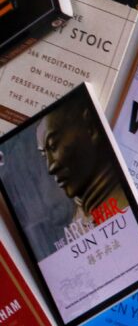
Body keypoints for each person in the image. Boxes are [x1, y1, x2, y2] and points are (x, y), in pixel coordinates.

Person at [35, 90, 128, 225]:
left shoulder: (124, 206)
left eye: (53, 145)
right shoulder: (79, 221)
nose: (50, 167)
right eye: (44, 155)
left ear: (90, 127)